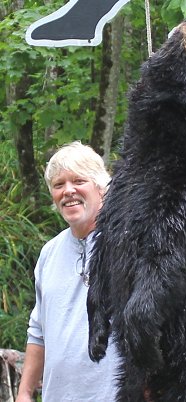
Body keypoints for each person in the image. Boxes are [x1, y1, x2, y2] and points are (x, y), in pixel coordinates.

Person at [16, 141, 118, 402]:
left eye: (78, 181)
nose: (68, 191)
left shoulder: (127, 246)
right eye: (59, 185)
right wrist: (25, 393)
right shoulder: (49, 253)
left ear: (101, 187)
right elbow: (38, 330)